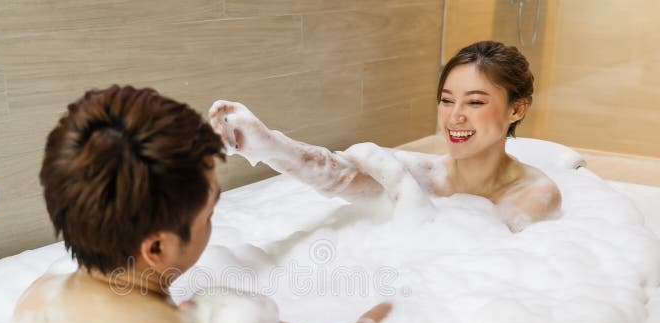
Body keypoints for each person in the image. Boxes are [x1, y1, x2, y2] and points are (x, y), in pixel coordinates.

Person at [15, 85, 390, 323]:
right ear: (157, 249)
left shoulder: (38, 298)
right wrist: (395, 308)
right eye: (210, 212)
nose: (214, 219)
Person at [208, 41, 562, 232]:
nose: (454, 117)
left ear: (517, 110)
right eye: (446, 100)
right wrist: (265, 141)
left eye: (475, 102)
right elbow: (335, 174)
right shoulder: (422, 173)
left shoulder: (535, 196)